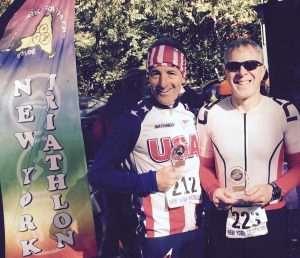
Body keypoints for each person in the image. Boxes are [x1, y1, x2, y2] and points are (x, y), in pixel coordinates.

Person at [89, 38, 205, 258]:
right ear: (147, 77)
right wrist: (148, 181)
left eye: (171, 72)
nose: (163, 83)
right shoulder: (133, 119)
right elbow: (98, 174)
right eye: (155, 73)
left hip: (198, 229)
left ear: (183, 76)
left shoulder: (194, 114)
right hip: (157, 234)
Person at [197, 38, 300, 258]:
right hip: (223, 218)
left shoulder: (285, 111)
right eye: (234, 66)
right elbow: (202, 166)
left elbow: (298, 166)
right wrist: (213, 190)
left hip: (270, 216)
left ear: (263, 71)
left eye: (250, 65)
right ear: (225, 73)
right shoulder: (208, 114)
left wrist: (274, 189)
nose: (242, 72)